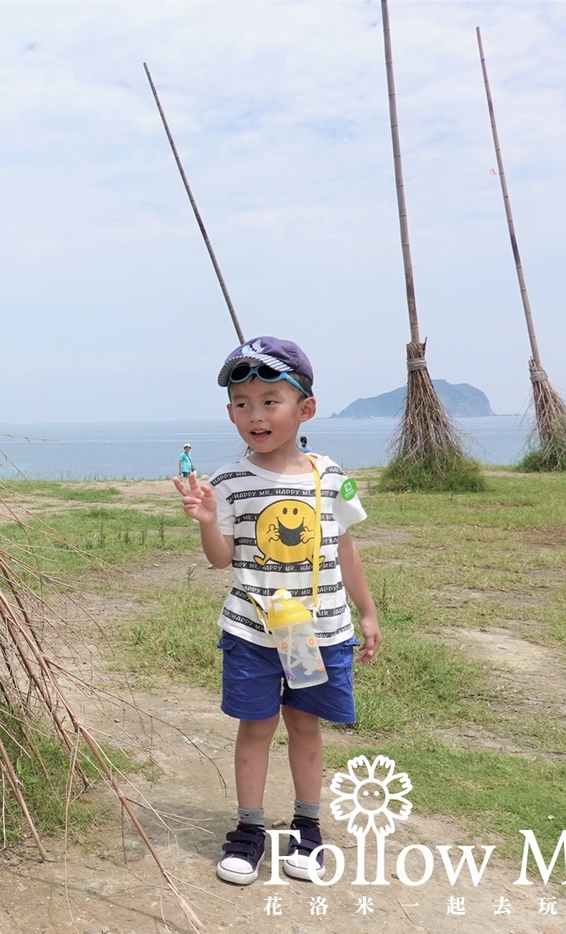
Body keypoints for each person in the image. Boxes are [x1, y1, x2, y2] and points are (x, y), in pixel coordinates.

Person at [172, 336, 380, 886]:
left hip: (315, 631)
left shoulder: (328, 476)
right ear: (230, 413)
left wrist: (368, 612)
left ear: (304, 408)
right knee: (256, 727)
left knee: (306, 726)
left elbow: (345, 549)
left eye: (270, 401)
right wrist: (205, 519)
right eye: (243, 404)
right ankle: (248, 829)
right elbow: (221, 561)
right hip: (253, 632)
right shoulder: (230, 481)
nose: (255, 415)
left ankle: (308, 828)